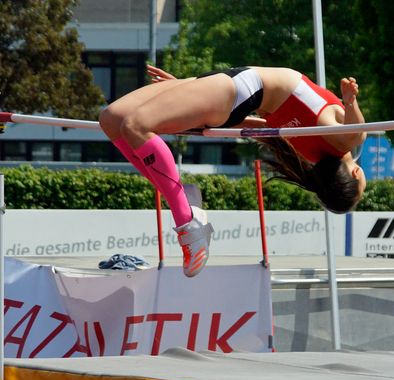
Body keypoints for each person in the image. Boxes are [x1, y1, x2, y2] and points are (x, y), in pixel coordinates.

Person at [99, 65, 366, 277]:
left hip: (239, 88)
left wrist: (350, 101)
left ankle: (189, 222)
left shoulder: (343, 140)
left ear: (355, 175)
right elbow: (263, 124)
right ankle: (184, 198)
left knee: (135, 126)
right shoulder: (311, 150)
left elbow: (358, 132)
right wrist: (185, 104)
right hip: (231, 87)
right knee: (112, 119)